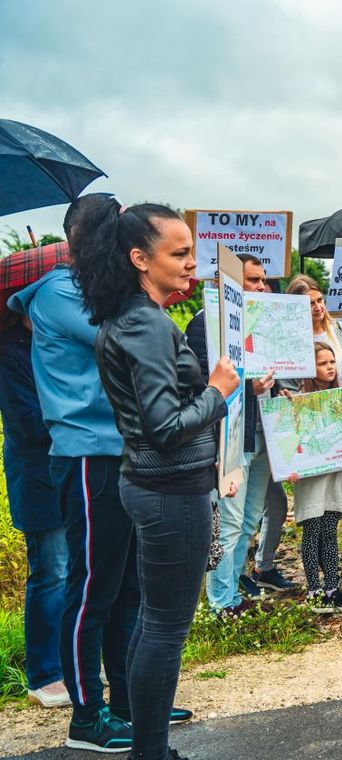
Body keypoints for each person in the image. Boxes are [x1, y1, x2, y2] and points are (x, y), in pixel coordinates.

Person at [71, 197, 239, 759]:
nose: (193, 262)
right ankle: (151, 752)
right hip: (168, 489)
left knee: (153, 620)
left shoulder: (138, 316)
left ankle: (150, 748)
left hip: (154, 484)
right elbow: (165, 427)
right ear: (140, 258)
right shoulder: (145, 324)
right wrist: (217, 391)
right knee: (165, 628)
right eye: (181, 253)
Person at [9, 196, 141, 753]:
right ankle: (86, 717)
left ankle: (132, 703)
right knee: (89, 589)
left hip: (122, 452)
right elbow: (126, 337)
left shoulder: (96, 289)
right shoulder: (61, 292)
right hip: (86, 454)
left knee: (127, 586)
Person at [185, 254, 291, 616]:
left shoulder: (263, 321)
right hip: (230, 438)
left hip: (262, 434)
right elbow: (202, 384)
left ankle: (233, 588)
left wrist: (276, 392)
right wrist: (252, 389)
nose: (261, 287)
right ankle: (220, 602)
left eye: (263, 280)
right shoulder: (206, 325)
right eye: (252, 281)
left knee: (248, 519)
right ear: (228, 285)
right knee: (228, 522)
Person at [284, 276, 342, 587]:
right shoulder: (291, 339)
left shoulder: (338, 330)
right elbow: (284, 391)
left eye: (320, 300)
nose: (318, 307)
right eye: (309, 304)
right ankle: (322, 578)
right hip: (314, 436)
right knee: (324, 511)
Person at [0, 307, 69, 708]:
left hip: (68, 469)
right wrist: (76, 414)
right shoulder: (10, 350)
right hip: (38, 475)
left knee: (75, 568)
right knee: (49, 571)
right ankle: (44, 674)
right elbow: (26, 421)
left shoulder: (53, 341)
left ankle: (71, 662)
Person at [285, 342, 342, 613]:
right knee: (312, 532)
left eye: (332, 362)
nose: (330, 367)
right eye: (323, 363)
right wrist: (290, 466)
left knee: (330, 530)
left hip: (334, 475)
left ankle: (332, 587)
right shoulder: (296, 399)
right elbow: (288, 441)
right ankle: (313, 590)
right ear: (310, 367)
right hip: (310, 477)